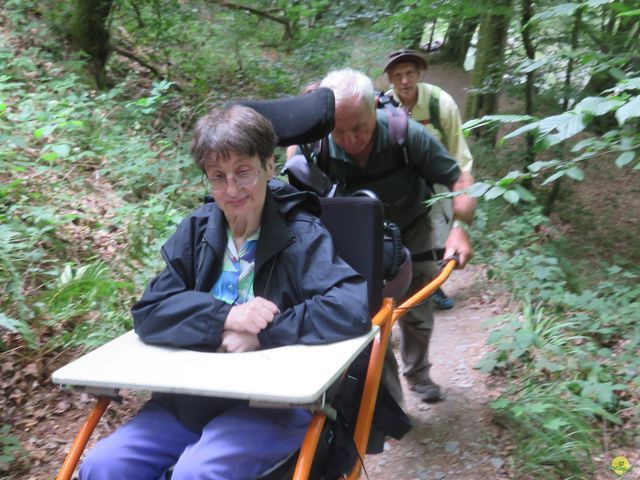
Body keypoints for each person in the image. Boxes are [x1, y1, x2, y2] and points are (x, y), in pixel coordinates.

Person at [79, 105, 371, 479]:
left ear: (268, 166)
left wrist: (263, 333)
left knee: (195, 473)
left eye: (243, 171)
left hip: (271, 404)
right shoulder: (197, 231)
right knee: (105, 466)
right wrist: (226, 317)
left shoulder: (301, 233)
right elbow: (150, 311)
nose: (231, 189)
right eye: (218, 176)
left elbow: (350, 306)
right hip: (191, 401)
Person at [315, 68, 476, 402]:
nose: (350, 140)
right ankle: (388, 402)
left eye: (358, 127)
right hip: (358, 240)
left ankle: (418, 375)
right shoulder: (320, 145)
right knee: (372, 323)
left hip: (412, 231)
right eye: (339, 131)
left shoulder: (408, 135)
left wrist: (459, 229)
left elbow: (459, 180)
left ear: (373, 109)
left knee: (416, 311)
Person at [384, 48, 475, 310]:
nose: (404, 81)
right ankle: (408, 285)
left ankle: (433, 284)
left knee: (439, 228)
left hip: (438, 175)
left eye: (409, 73)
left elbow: (459, 152)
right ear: (390, 79)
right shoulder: (384, 105)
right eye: (398, 75)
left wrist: (461, 189)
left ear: (419, 74)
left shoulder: (440, 104)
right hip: (402, 178)